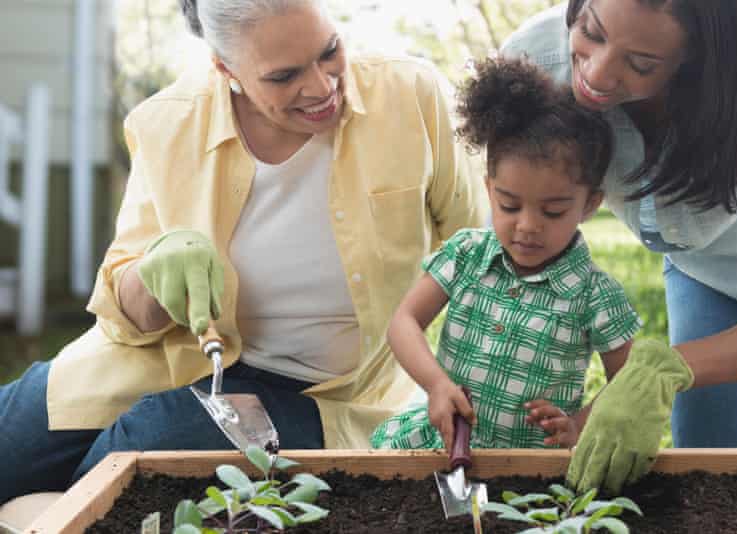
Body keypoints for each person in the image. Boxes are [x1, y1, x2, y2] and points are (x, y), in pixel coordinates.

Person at [0, 0, 487, 503]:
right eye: (283, 76)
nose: (321, 86)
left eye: (329, 51)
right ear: (224, 68)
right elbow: (123, 318)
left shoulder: (411, 98)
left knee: (146, 446)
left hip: (324, 396)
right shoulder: (168, 124)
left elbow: (479, 257)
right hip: (163, 361)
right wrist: (156, 271)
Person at [502, 0, 737, 495]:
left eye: (641, 64)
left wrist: (668, 367)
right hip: (705, 260)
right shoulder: (535, 60)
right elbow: (507, 200)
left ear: (699, 61)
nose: (596, 74)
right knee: (720, 467)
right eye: (591, 31)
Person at [370, 57, 641, 453]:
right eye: (509, 205)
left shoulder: (593, 294)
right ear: (489, 188)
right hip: (445, 445)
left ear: (589, 204)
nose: (528, 226)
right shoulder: (467, 255)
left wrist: (580, 425)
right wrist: (437, 385)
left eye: (553, 211)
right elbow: (404, 322)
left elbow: (629, 378)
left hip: (533, 466)